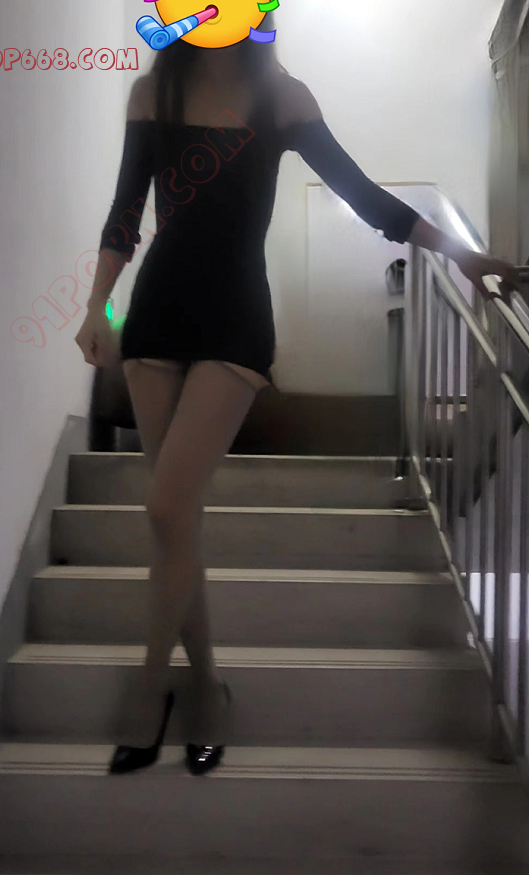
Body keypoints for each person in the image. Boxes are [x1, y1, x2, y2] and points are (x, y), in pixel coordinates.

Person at [75, 12, 521, 777]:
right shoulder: (153, 91)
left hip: (235, 320)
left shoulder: (283, 97)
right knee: (177, 519)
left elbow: (365, 198)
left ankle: (151, 687)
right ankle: (206, 690)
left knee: (165, 507)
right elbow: (124, 212)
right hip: (153, 319)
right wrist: (95, 305)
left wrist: (463, 254)